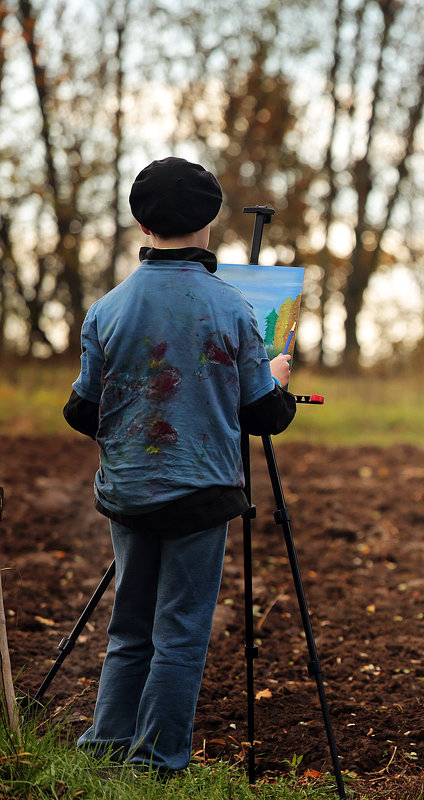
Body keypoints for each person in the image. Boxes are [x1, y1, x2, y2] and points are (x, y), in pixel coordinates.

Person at [63, 156, 296, 776]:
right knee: (182, 633)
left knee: (129, 627)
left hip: (129, 493)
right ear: (211, 224)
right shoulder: (233, 310)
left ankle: (106, 749)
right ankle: (159, 761)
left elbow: (82, 412)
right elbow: (266, 415)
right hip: (200, 495)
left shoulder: (107, 309)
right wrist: (274, 378)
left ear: (142, 225)